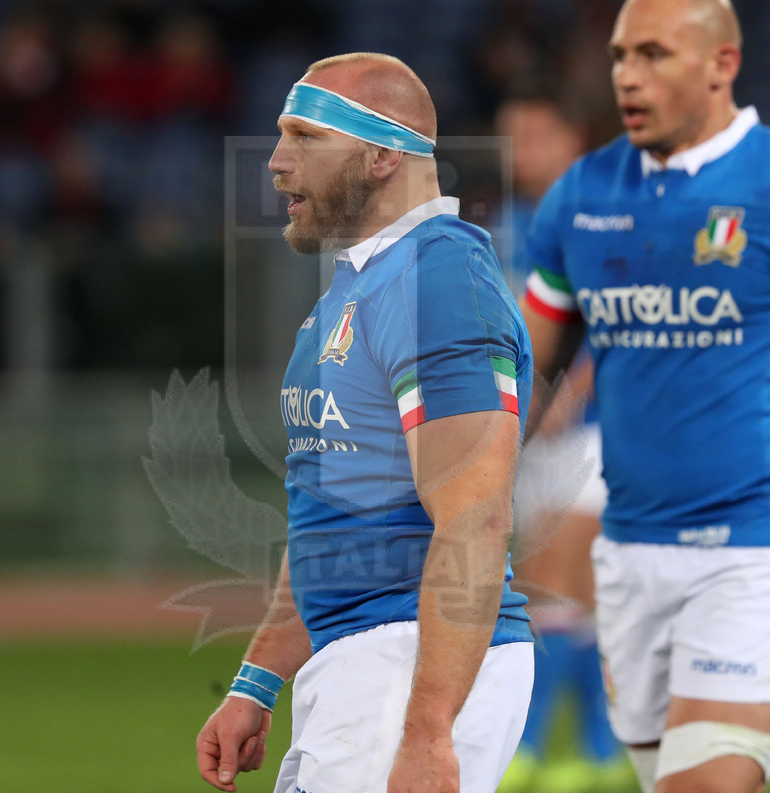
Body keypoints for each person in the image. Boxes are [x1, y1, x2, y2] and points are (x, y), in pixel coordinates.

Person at [196, 52, 535, 793]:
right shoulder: (358, 286)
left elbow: (475, 517)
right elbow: (328, 506)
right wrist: (257, 679)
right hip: (363, 660)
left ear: (383, 155)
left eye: (305, 137)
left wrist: (429, 732)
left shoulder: (438, 278)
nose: (278, 163)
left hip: (405, 660)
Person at [519, 1, 770, 792]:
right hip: (629, 554)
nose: (629, 72)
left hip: (745, 549)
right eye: (623, 54)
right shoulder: (580, 198)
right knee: (676, 775)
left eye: (656, 53)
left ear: (722, 64)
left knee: (707, 780)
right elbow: (526, 359)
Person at [492, 93, 630, 793]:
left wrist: (569, 396)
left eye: (539, 135)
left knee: (573, 575)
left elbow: (623, 320)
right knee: (554, 590)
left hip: (601, 426)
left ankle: (569, 749)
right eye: (512, 138)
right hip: (533, 434)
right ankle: (582, 752)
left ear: (574, 137)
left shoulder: (604, 212)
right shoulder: (509, 224)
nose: (525, 153)